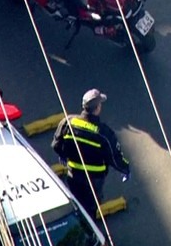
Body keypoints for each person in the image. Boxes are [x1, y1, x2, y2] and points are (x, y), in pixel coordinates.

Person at [51, 89, 131, 220]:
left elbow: (56, 144)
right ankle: (90, 232)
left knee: (75, 202)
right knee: (90, 208)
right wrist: (125, 169)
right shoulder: (104, 133)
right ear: (98, 108)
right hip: (94, 180)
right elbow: (114, 157)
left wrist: (64, 156)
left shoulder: (68, 122)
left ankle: (77, 223)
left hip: (73, 174)